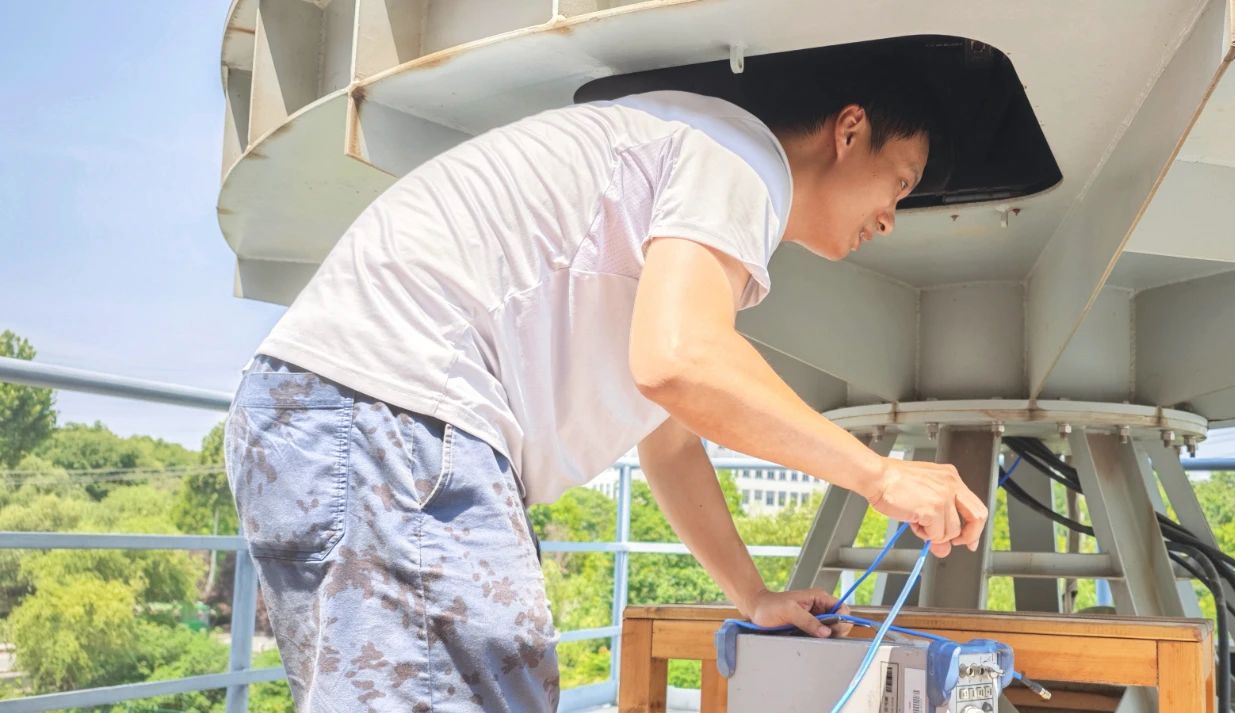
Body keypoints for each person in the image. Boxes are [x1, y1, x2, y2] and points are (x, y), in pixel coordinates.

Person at [223, 63, 989, 712]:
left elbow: (671, 438)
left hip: (332, 421)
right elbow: (680, 360)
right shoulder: (741, 156)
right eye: (900, 181)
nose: (891, 218)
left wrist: (753, 596)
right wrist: (880, 475)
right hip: (395, 421)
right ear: (849, 130)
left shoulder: (685, 167)